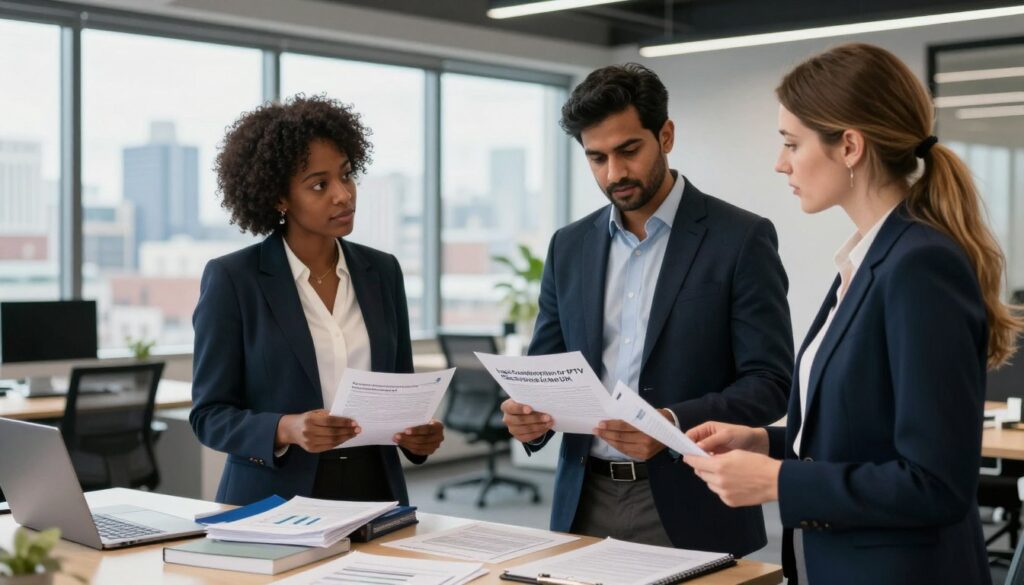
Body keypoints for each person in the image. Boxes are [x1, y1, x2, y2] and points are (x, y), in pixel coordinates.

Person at [684, 43, 1021, 585]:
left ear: (849, 146)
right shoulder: (867, 258)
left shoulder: (919, 265)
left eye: (792, 143)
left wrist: (777, 481)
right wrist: (766, 441)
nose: (780, 163)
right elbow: (863, 435)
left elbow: (935, 483)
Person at [501, 63, 794, 556]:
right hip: (582, 501)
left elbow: (770, 382)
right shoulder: (568, 246)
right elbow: (544, 370)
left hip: (695, 498)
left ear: (666, 135)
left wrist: (670, 422)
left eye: (628, 151)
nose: (613, 173)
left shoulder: (740, 238)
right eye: (596, 158)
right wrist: (526, 416)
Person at [191, 95, 444, 506]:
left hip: (374, 494)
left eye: (346, 175)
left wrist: (420, 434)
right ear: (279, 198)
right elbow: (209, 416)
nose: (343, 195)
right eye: (319, 185)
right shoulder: (234, 279)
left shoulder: (382, 271)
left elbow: (400, 389)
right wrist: (286, 428)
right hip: (273, 499)